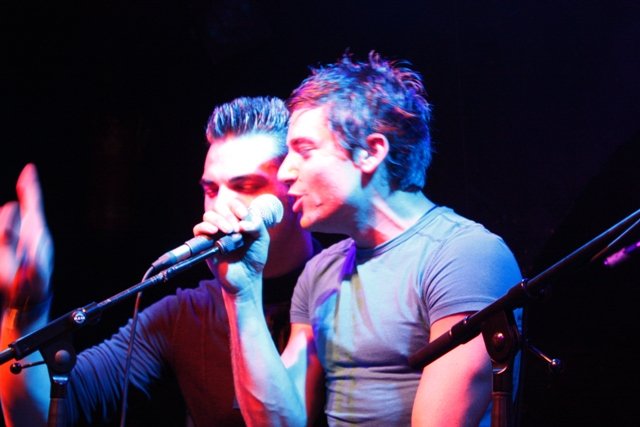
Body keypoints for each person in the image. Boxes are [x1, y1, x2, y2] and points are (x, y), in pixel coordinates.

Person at [194, 51, 523, 426]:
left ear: (370, 152)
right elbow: (279, 422)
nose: (284, 173)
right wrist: (242, 295)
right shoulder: (321, 271)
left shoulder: (466, 256)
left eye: (304, 150)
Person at [0, 96, 320, 426]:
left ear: (294, 185)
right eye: (211, 190)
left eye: (247, 186)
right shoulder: (185, 315)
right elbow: (43, 413)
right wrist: (25, 307)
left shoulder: (339, 282)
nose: (219, 206)